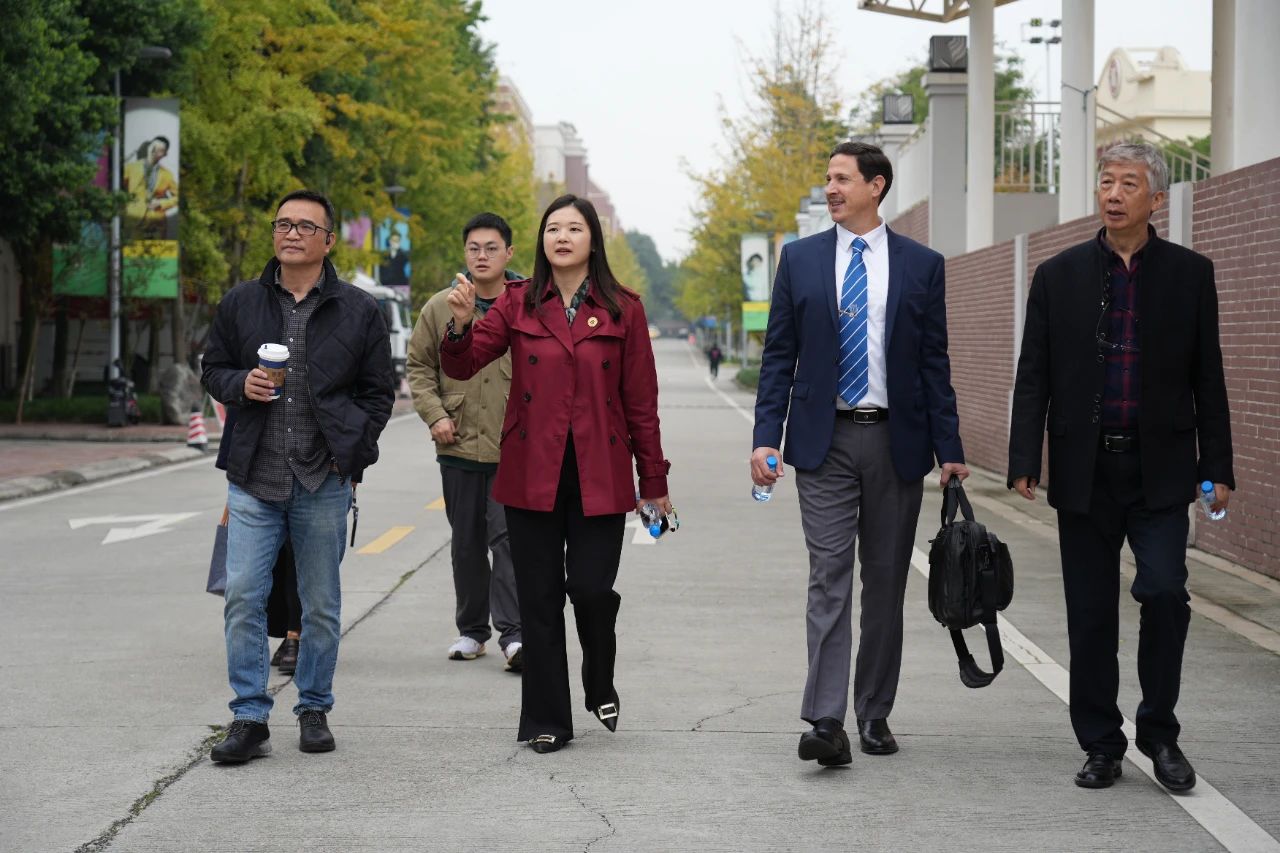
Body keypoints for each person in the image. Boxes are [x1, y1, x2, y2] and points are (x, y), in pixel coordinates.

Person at [1008, 142, 1234, 792]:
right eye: (1106, 181)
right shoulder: (1058, 275)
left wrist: (1217, 466)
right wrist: (1025, 456)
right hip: (1084, 469)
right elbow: (1034, 373)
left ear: (1156, 198)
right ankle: (1101, 743)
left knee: (1164, 592)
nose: (1113, 193)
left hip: (1160, 469)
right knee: (1090, 614)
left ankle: (1159, 733)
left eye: (1128, 184)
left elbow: (1208, 375)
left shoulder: (1190, 274)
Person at [751, 141, 968, 767]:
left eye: (843, 178)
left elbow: (933, 362)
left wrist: (950, 448)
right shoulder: (800, 260)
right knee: (829, 577)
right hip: (824, 442)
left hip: (897, 441)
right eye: (828, 178)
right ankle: (826, 719)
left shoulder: (923, 266)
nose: (831, 188)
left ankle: (873, 711)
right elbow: (779, 356)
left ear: (877, 186)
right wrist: (766, 436)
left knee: (886, 581)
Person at [440, 194, 671, 754]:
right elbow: (464, 363)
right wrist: (462, 325)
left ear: (593, 240)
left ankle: (599, 678)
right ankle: (547, 719)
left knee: (591, 591)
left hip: (600, 471)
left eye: (574, 229)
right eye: (552, 229)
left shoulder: (624, 308)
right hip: (531, 473)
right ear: (542, 241)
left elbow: (641, 403)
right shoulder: (517, 302)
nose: (561, 237)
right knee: (538, 600)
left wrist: (654, 484)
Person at [202, 189, 395, 764]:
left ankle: (313, 706)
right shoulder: (241, 302)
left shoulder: (359, 310)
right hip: (253, 477)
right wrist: (240, 385)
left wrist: (352, 455)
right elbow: (213, 368)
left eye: (304, 226)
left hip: (322, 480)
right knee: (243, 596)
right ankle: (249, 717)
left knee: (321, 605)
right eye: (283, 223)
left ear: (328, 241)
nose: (290, 233)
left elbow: (378, 394)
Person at [407, 212, 523, 671]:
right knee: (467, 543)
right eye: (474, 248)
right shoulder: (441, 307)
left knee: (508, 541)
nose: (482, 256)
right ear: (465, 253)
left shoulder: (528, 304)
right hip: (457, 444)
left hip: (513, 446)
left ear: (509, 253)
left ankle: (514, 635)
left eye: (491, 248)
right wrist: (435, 414)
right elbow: (419, 367)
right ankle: (472, 631)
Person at [217, 407, 302, 673]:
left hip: (315, 463)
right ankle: (279, 636)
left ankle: (295, 634)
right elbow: (226, 389)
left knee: (301, 557)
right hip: (255, 464)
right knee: (255, 571)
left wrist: (354, 469)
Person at [123, 136, 178, 237]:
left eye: (159, 149)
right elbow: (118, 189)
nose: (153, 151)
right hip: (134, 219)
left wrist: (161, 203)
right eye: (153, 147)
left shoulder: (167, 174)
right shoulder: (131, 168)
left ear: (165, 154)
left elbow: (178, 197)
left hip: (157, 223)